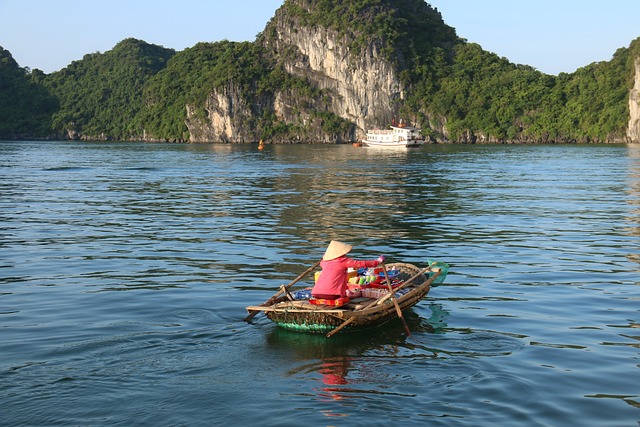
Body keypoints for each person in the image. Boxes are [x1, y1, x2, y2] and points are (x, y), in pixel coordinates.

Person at [311, 240, 385, 300]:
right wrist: (377, 262)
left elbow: (322, 262)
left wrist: (325, 257)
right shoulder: (343, 261)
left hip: (316, 293)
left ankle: (345, 293)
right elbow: (361, 264)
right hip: (332, 295)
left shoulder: (324, 262)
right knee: (358, 294)